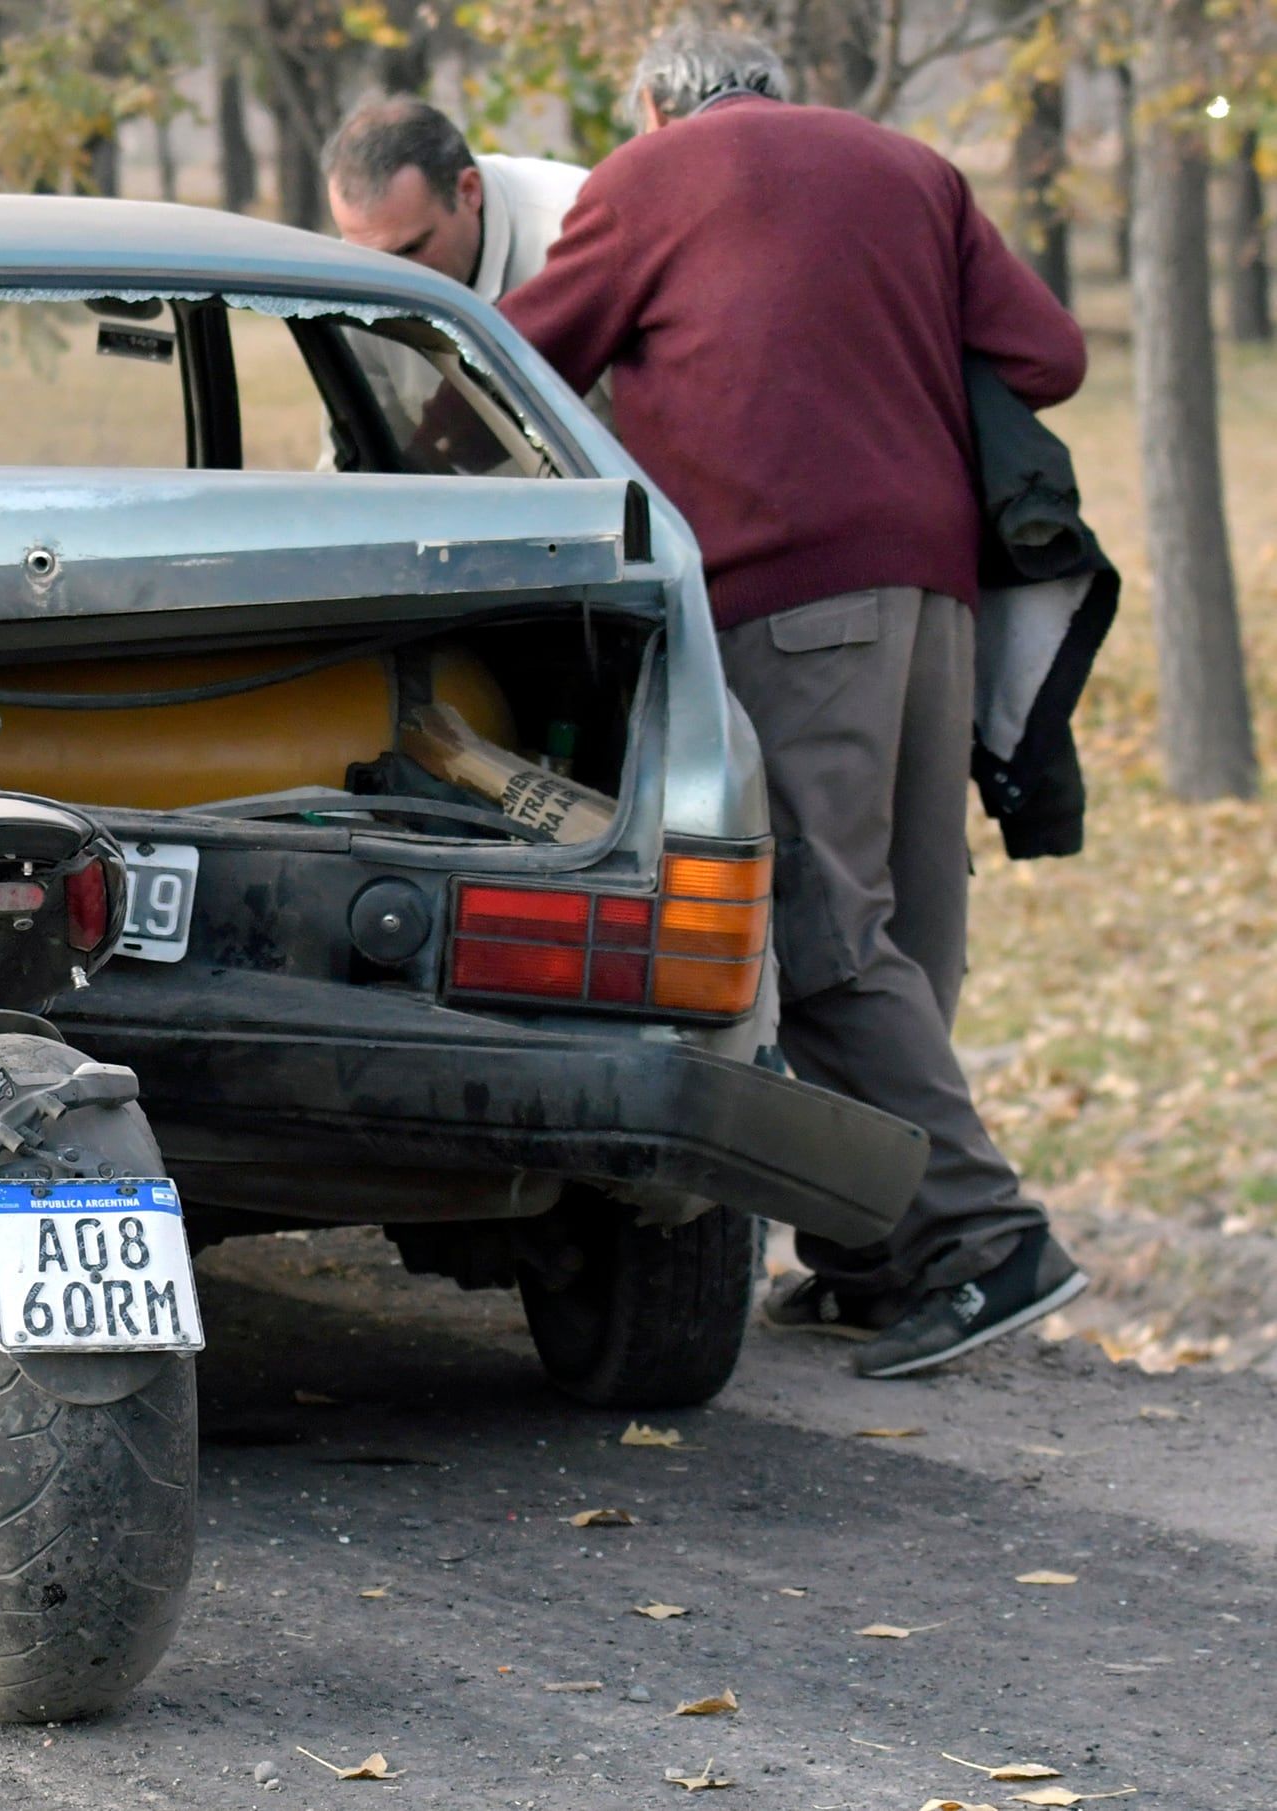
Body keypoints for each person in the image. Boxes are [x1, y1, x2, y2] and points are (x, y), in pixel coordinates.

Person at [498, 23, 1091, 1379]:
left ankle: (985, 1238)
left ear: (652, 101)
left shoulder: (645, 179)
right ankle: (873, 1254)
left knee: (818, 925)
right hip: (937, 590)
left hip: (785, 587)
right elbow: (1046, 353)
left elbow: (526, 363)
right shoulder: (910, 167)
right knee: (906, 916)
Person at [322, 96, 587, 303]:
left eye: (411, 249)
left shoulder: (577, 232)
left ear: (469, 191)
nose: (390, 279)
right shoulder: (352, 278)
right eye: (369, 260)